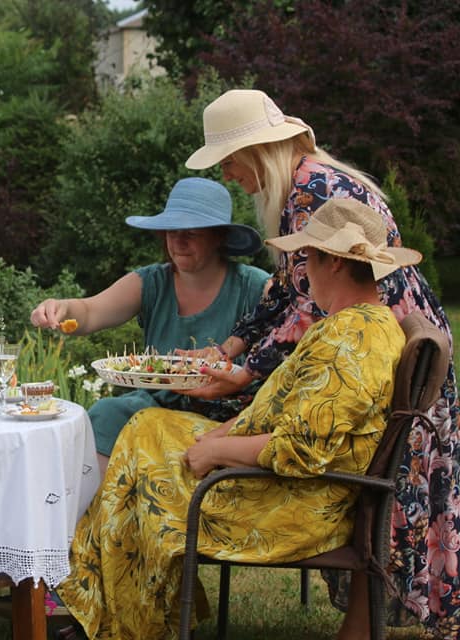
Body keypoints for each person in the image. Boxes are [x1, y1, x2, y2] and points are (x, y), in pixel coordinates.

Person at [54, 198, 422, 640]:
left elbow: (300, 449)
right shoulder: (346, 325)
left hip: (291, 504)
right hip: (280, 484)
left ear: (335, 264)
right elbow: (277, 406)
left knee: (142, 466)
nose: (302, 272)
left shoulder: (354, 341)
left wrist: (217, 449)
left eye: (307, 258)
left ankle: (123, 621)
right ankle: (113, 605)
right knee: (143, 427)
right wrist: (225, 432)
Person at [184, 89, 459, 637]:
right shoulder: (302, 186)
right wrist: (232, 350)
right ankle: (361, 627)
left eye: (230, 160)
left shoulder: (315, 189)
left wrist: (244, 374)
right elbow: (285, 294)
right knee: (385, 489)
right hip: (366, 341)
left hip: (366, 348)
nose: (231, 174)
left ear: (258, 150)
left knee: (384, 487)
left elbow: (312, 307)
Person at [30, 177, 269, 476]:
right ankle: (90, 515)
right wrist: (61, 308)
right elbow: (91, 311)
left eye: (191, 233)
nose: (178, 241)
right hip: (154, 403)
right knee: (107, 413)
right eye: (172, 231)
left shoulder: (255, 287)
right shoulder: (152, 282)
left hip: (227, 414)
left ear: (219, 237)